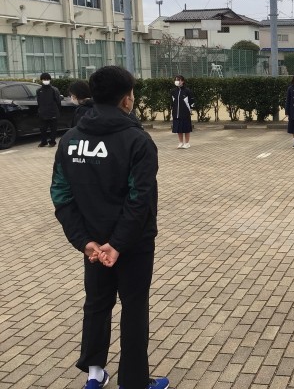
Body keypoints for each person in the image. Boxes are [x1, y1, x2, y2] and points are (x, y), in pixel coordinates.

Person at [50, 66, 169, 389]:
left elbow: (60, 194)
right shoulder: (137, 141)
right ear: (126, 99)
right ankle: (133, 382)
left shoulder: (70, 140)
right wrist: (116, 244)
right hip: (132, 243)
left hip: (93, 245)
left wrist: (85, 241)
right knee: (134, 308)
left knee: (97, 303)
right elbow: (139, 199)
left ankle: (94, 373)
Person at [36, 72, 62, 147]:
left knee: (53, 129)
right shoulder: (39, 90)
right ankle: (43, 142)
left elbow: (58, 101)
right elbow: (39, 102)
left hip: (53, 112)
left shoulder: (54, 90)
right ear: (41, 80)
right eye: (44, 79)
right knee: (42, 129)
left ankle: (52, 141)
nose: (46, 80)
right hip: (43, 113)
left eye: (47, 79)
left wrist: (57, 111)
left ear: (50, 80)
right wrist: (40, 110)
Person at [170, 74, 195, 149]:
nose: (177, 81)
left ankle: (187, 143)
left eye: (178, 80)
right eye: (176, 80)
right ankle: (181, 142)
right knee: (178, 129)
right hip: (176, 113)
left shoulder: (187, 91)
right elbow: (172, 102)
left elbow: (192, 101)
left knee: (186, 128)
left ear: (182, 81)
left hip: (185, 113)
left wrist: (191, 109)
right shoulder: (173, 91)